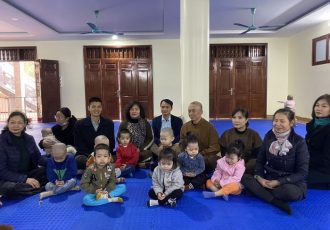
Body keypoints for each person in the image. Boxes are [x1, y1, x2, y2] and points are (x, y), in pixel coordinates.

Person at [241, 108, 309, 215]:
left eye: (282, 121)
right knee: (244, 177)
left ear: (291, 123)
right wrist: (260, 178)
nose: (277, 124)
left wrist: (279, 182)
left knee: (290, 193)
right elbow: (260, 160)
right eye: (275, 120)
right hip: (269, 177)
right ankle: (275, 201)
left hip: (289, 182)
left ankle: (260, 192)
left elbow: (302, 172)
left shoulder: (299, 142)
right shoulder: (269, 136)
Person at [0, 111, 47, 200]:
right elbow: (2, 171)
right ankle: (39, 187)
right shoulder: (1, 141)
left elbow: (38, 159)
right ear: (8, 123)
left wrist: (54, 161)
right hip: (8, 178)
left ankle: (31, 187)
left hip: (28, 173)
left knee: (48, 170)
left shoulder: (29, 139)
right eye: (12, 122)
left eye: (19, 123)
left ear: (25, 124)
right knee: (10, 188)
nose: (15, 126)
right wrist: (25, 179)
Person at [74, 97, 115, 170]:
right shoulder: (79, 124)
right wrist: (93, 156)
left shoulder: (109, 123)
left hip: (104, 155)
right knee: (78, 160)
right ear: (88, 108)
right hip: (87, 155)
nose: (96, 109)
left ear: (101, 108)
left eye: (99, 107)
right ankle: (102, 170)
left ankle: (90, 171)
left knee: (117, 158)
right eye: (93, 107)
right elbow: (79, 146)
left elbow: (111, 144)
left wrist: (102, 156)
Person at [180, 101, 220, 173]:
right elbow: (182, 142)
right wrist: (186, 153)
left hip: (203, 155)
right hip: (187, 154)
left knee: (210, 160)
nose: (191, 113)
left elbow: (215, 147)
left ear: (201, 112)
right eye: (189, 111)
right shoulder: (185, 126)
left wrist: (200, 153)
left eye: (193, 111)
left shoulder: (209, 128)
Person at [219, 108, 262, 174]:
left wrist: (242, 166)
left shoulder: (253, 134)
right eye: (234, 117)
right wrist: (231, 163)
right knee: (212, 159)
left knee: (255, 162)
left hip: (246, 166)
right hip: (229, 163)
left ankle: (238, 173)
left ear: (246, 120)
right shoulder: (226, 134)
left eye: (240, 118)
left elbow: (257, 154)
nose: (236, 120)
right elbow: (223, 153)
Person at [305, 94, 330, 189]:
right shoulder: (313, 124)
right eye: (317, 105)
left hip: (324, 168)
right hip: (310, 162)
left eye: (324, 106)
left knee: (296, 178)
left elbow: (327, 158)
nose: (319, 108)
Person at [118, 101, 153, 167]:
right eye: (132, 109)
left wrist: (140, 149)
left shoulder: (145, 123)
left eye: (136, 109)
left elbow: (150, 138)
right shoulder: (124, 124)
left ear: (140, 111)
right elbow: (119, 138)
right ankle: (138, 165)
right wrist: (126, 148)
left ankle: (130, 164)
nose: (134, 111)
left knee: (148, 154)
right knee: (119, 154)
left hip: (140, 151)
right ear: (129, 111)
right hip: (127, 150)